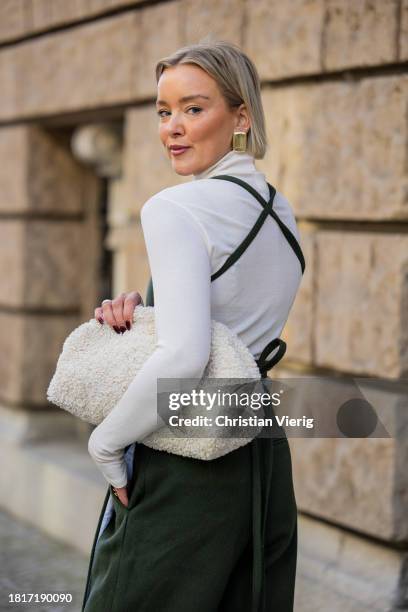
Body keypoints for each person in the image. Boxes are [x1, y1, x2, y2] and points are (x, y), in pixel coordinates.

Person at [82, 39, 304, 612]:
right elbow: (236, 320)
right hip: (261, 456)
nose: (173, 128)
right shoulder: (281, 211)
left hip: (189, 455)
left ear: (241, 115)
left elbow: (185, 357)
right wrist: (147, 315)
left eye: (193, 108)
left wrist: (107, 443)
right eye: (164, 111)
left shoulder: (175, 208)